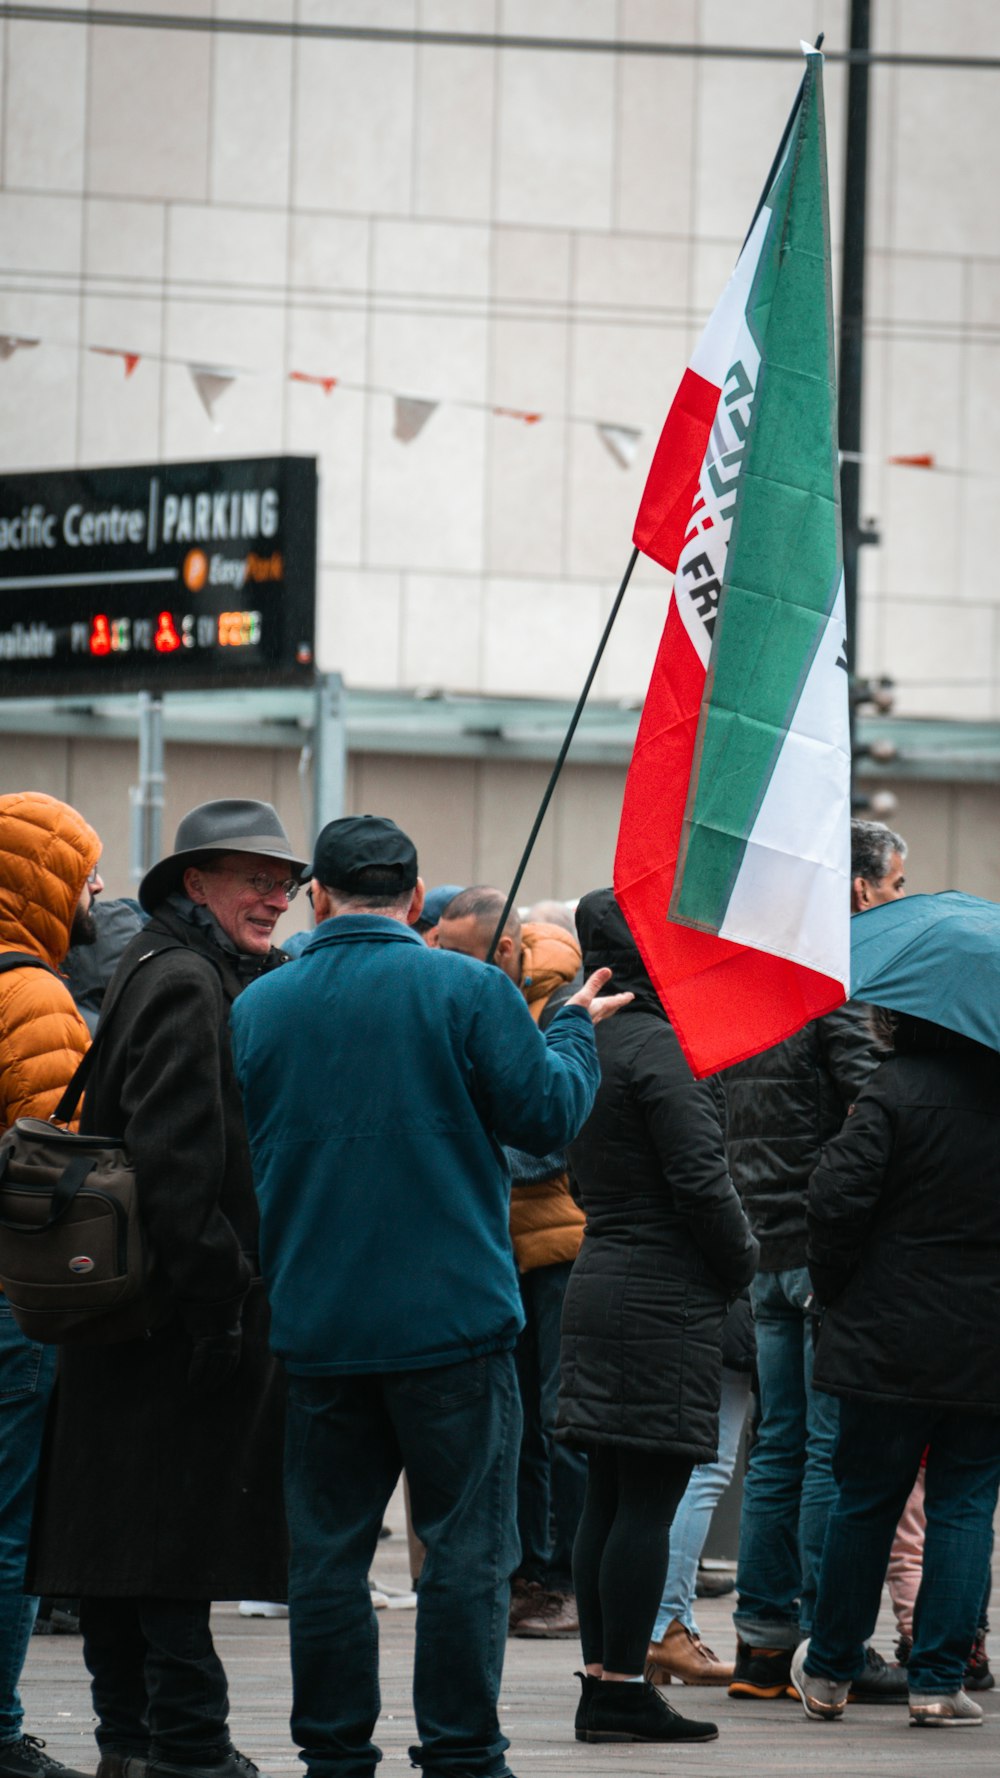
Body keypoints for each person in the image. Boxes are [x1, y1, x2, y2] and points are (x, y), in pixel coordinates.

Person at [229, 815, 628, 1778]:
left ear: (317, 896)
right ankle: (460, 1752)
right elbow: (548, 1113)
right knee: (464, 1555)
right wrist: (571, 1028)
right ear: (414, 901)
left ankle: (332, 1753)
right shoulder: (471, 988)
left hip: (319, 1322)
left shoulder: (260, 1007)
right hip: (453, 1325)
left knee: (326, 1557)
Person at [28, 798, 308, 1778]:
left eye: (283, 879)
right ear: (196, 881)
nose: (274, 894)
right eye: (250, 876)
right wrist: (223, 1302)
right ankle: (186, 1743)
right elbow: (178, 1163)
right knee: (169, 1543)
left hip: (119, 1307)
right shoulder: (191, 980)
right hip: (171, 1314)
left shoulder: (154, 960)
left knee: (117, 1540)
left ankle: (128, 1741)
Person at [556, 889, 758, 1746]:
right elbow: (701, 1181)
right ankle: (621, 1689)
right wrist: (742, 1260)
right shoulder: (663, 1049)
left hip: (600, 1272)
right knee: (647, 1497)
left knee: (609, 1493)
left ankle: (604, 1681)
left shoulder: (584, 1040)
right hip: (662, 1292)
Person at [724, 819, 908, 1702]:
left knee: (777, 1448)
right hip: (826, 1251)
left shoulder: (745, 984)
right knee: (832, 1453)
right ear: (859, 890)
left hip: (759, 1242)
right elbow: (875, 1105)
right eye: (894, 885)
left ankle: (762, 1644)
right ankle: (830, 1645)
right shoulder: (827, 989)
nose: (897, 900)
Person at [791, 1009, 1000, 1727]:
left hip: (885, 1335)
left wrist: (838, 1285)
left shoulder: (891, 1089)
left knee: (866, 1499)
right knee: (966, 1504)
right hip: (986, 1341)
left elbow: (833, 1197)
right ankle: (938, 1681)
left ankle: (828, 1671)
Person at [437, 888, 587, 1639]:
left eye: (456, 956)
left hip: (559, 1244)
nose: (443, 971)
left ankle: (564, 1578)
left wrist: (476, 1127)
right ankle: (528, 1571)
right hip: (502, 1245)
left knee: (562, 1421)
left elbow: (547, 1139)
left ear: (500, 949)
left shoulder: (563, 1004)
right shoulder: (478, 995)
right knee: (518, 1421)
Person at [0, 791, 102, 1778]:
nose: (94, 897)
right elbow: (57, 1161)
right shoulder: (30, 992)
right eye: (84, 876)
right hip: (8, 1293)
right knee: (6, 1520)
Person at [645, 1296, 754, 1686]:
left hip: (661, 1314)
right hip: (714, 1311)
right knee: (706, 1469)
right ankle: (666, 1628)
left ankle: (661, 1631)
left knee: (677, 1469)